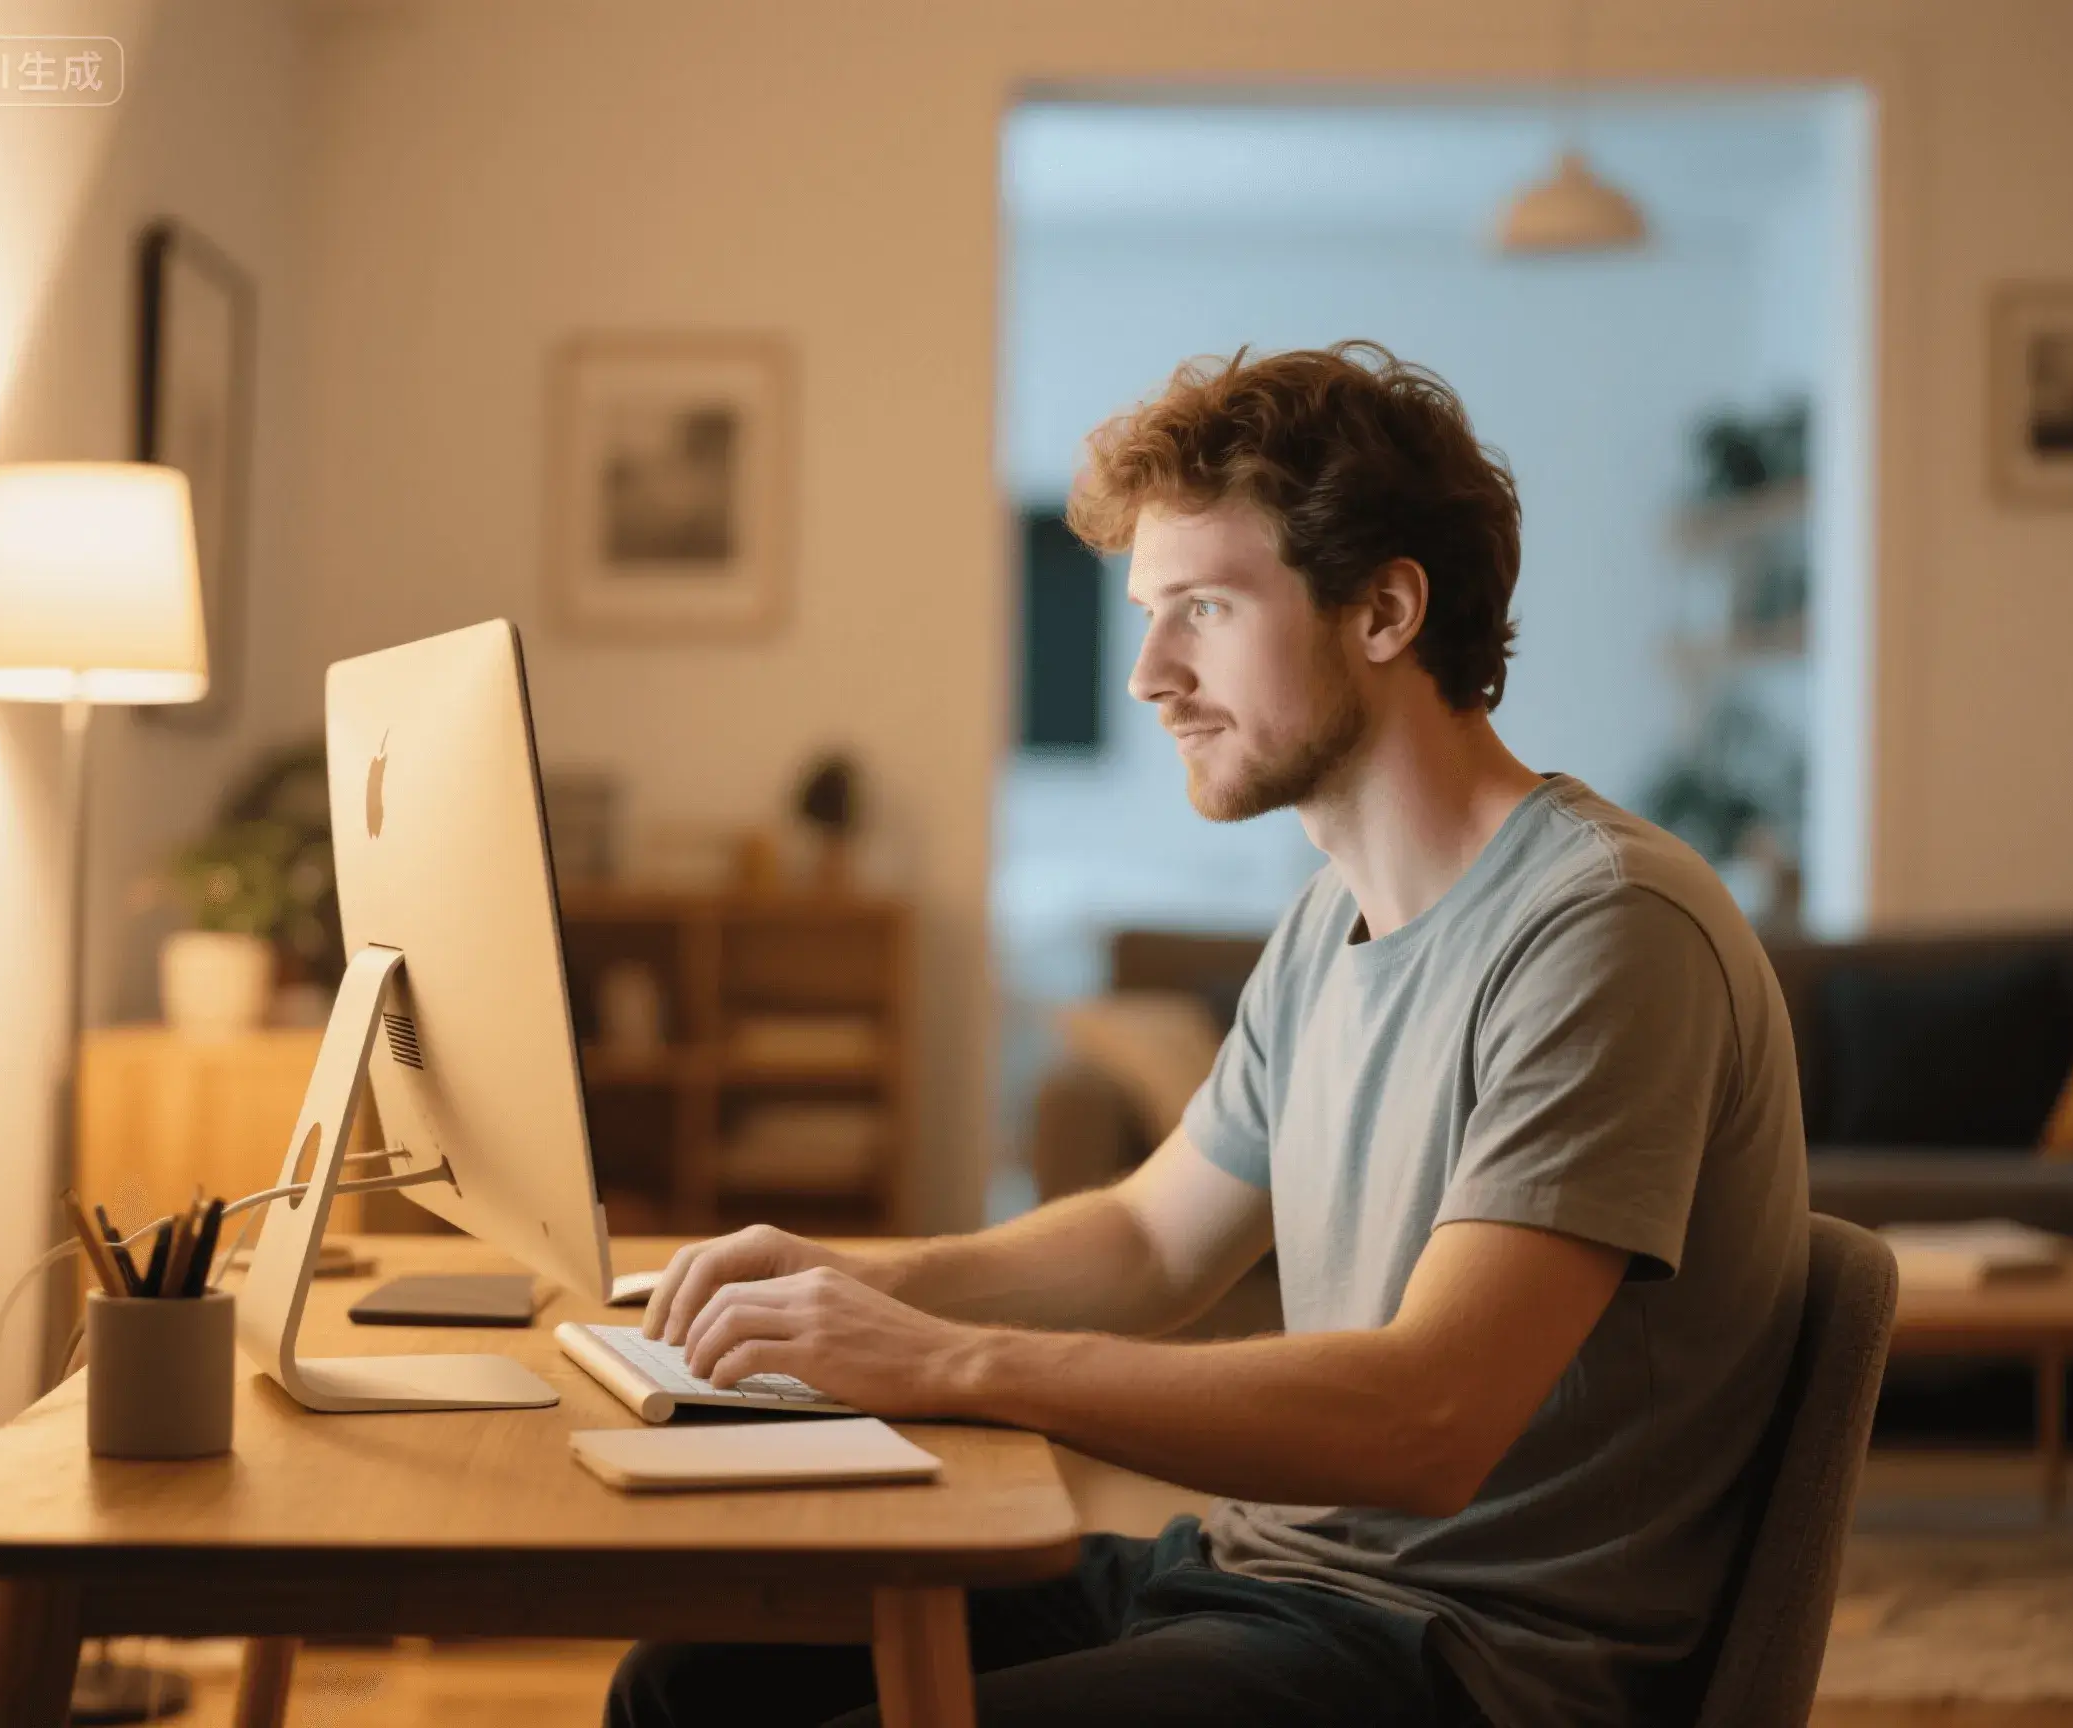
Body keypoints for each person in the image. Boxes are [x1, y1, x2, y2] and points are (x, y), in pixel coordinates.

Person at [608, 340, 1809, 1728]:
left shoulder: (1605, 927)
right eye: (1147, 613)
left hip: (1463, 1658)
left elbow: (1427, 1421)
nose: (1149, 676)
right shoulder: (1326, 924)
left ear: (1385, 610)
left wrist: (946, 1363)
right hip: (1268, 1569)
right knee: (691, 1683)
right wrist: (861, 1285)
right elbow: (1149, 1243)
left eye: (1204, 610)